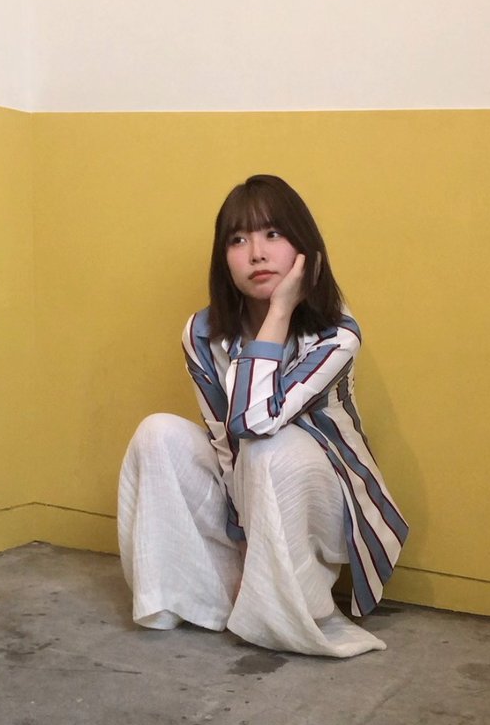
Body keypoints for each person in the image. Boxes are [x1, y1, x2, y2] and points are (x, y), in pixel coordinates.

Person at [118, 175, 408, 658]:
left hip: (325, 498)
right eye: (238, 240)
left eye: (273, 234)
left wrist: (279, 312)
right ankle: (195, 598)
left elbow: (255, 422)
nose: (256, 253)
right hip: (250, 485)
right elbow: (225, 442)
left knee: (271, 445)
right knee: (157, 433)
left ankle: (287, 611)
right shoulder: (202, 333)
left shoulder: (337, 334)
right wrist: (247, 538)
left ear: (305, 250)